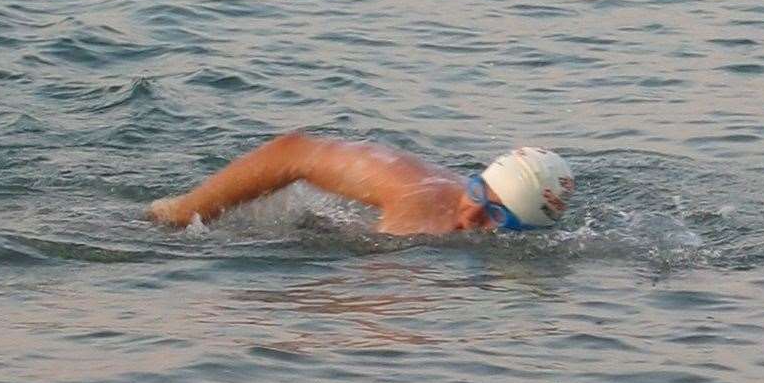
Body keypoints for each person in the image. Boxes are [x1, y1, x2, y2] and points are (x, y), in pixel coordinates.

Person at [147, 132, 575, 235]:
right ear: (474, 181)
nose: (472, 214)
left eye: (495, 215)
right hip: (289, 162)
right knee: (171, 221)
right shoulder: (420, 206)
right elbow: (293, 151)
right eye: (478, 195)